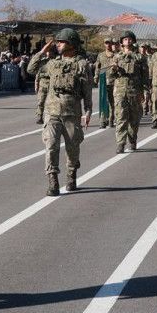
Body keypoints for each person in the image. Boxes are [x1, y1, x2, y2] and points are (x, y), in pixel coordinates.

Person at [25, 28, 92, 196]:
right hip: (52, 111)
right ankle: (52, 180)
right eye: (58, 42)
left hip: (72, 112)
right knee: (51, 146)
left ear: (72, 44)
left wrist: (89, 110)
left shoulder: (82, 65)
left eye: (62, 42)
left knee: (72, 148)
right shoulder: (53, 64)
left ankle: (71, 174)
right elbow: (31, 69)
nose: (58, 44)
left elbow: (87, 90)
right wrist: (42, 51)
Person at [108, 30, 149, 152]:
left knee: (134, 118)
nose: (128, 40)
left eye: (130, 39)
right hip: (120, 90)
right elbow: (110, 76)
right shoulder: (116, 57)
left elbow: (145, 75)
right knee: (120, 117)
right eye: (125, 39)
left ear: (133, 41)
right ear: (122, 42)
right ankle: (120, 143)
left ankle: (132, 140)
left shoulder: (139, 57)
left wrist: (145, 91)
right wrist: (114, 69)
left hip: (134, 90)